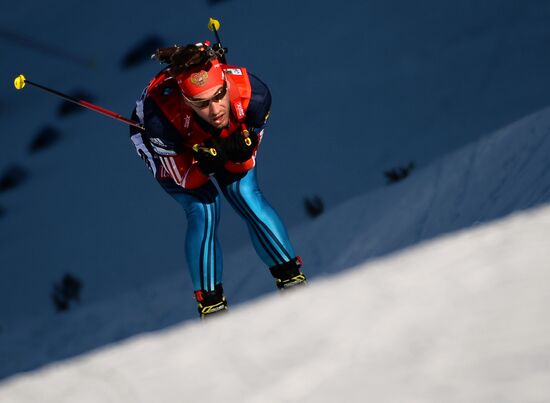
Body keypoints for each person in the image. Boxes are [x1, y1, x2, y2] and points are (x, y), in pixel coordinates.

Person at [129, 42, 306, 319]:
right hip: (170, 142)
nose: (215, 110)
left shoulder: (253, 95)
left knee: (244, 192)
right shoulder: (160, 121)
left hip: (213, 134)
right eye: (202, 103)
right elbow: (187, 179)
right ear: (187, 101)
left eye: (219, 96)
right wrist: (206, 162)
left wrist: (230, 151)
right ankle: (211, 304)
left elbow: (244, 163)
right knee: (204, 207)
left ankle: (291, 277)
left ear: (225, 82)